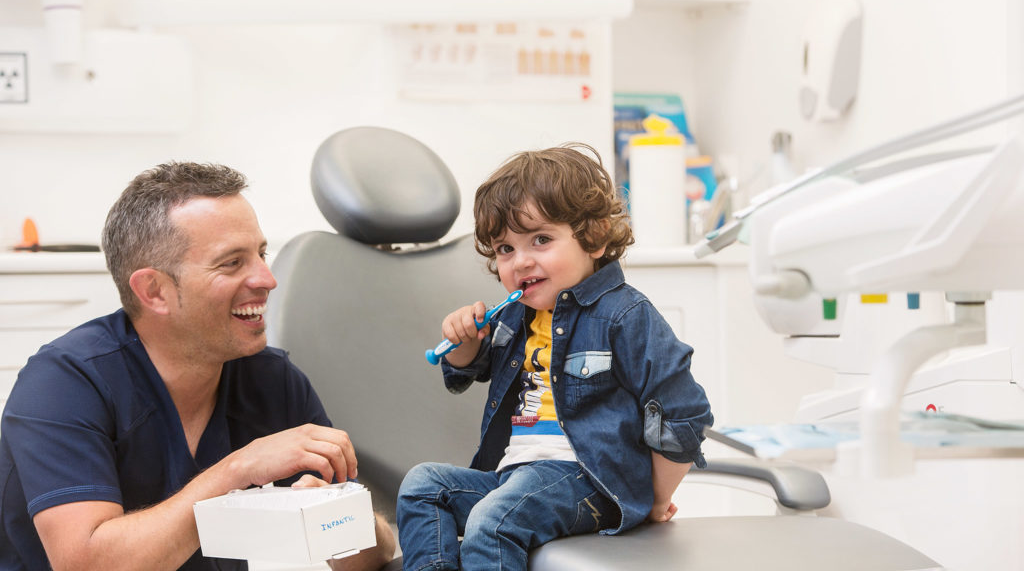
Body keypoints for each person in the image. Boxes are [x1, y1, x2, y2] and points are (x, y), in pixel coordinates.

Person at [0, 162, 396, 571]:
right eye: (231, 263)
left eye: (261, 254)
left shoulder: (273, 381)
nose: (267, 279)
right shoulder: (64, 384)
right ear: (154, 290)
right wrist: (238, 470)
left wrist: (335, 522)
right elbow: (89, 565)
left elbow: (374, 551)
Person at [396, 144, 714, 571]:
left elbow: (684, 413)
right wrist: (467, 343)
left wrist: (656, 499)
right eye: (504, 249)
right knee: (422, 486)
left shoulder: (624, 315)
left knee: (492, 522)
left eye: (541, 239)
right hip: (517, 476)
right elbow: (475, 369)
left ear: (596, 237)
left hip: (589, 479)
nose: (520, 261)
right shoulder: (515, 314)